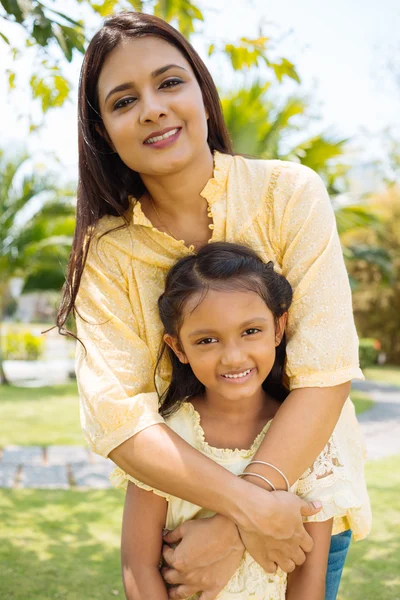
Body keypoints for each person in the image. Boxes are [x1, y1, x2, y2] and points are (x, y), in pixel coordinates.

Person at [58, 11, 371, 599]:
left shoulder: (288, 194)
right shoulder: (106, 251)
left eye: (169, 82)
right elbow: (117, 416)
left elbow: (325, 371)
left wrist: (237, 523)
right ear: (102, 131)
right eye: (123, 101)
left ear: (203, 94)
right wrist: (242, 509)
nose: (151, 107)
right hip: (177, 523)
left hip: (302, 513)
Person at [112, 242, 366, 600]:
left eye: (250, 331)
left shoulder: (312, 440)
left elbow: (310, 580)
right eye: (207, 340)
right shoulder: (165, 438)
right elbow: (137, 566)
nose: (233, 357)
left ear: (279, 327)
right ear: (178, 348)